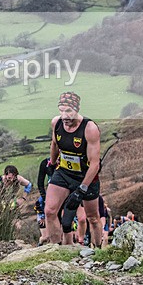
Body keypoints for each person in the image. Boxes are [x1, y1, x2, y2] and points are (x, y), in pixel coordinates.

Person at [44, 92, 104, 247]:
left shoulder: (89, 128)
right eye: (61, 111)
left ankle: (97, 249)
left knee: (92, 217)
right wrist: (51, 163)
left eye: (69, 111)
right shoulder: (56, 123)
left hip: (86, 175)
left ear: (77, 110)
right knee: (50, 211)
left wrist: (81, 189)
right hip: (64, 172)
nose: (65, 116)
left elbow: (95, 163)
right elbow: (55, 144)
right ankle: (56, 249)